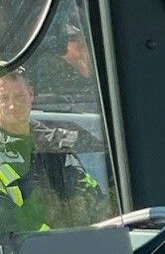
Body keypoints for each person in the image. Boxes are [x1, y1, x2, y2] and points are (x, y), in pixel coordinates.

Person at [0, 67, 100, 235]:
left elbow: (93, 197)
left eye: (19, 97)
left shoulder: (56, 143)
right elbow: (9, 224)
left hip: (76, 245)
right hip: (24, 251)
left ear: (31, 94)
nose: (12, 105)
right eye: (3, 98)